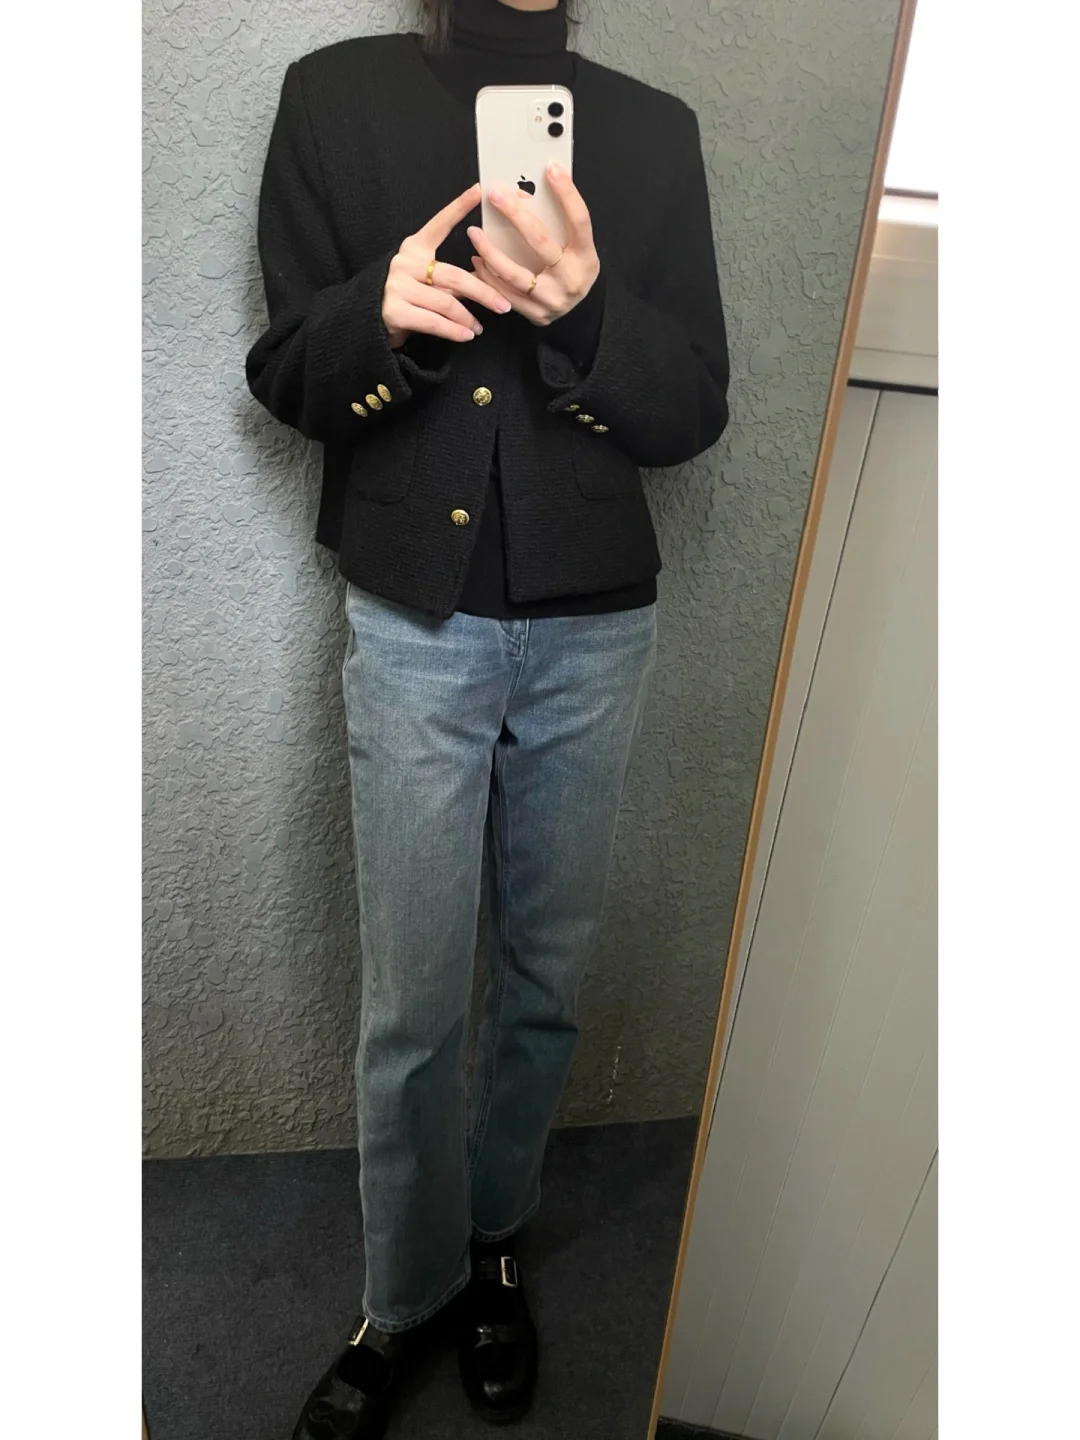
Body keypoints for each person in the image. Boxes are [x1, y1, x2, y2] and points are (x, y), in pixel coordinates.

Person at [245, 0, 729, 1433]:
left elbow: (694, 410)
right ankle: (405, 1299)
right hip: (413, 618)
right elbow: (286, 372)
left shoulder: (655, 133)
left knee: (543, 982)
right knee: (410, 1007)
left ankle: (495, 1244)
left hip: (598, 627)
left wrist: (589, 314)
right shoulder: (331, 100)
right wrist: (375, 314)